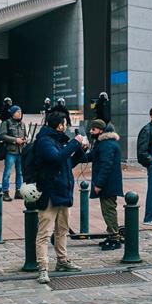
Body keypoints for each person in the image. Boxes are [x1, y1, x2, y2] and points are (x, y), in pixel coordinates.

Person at [32, 112, 89, 284]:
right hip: (49, 192)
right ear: (59, 125)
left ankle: (62, 261)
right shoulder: (44, 141)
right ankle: (43, 268)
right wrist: (74, 142)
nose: (66, 126)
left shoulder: (58, 140)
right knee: (44, 232)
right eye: (64, 123)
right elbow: (56, 158)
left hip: (62, 191)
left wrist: (80, 152)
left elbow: (67, 163)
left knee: (62, 230)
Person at [86, 120, 124, 250]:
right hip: (108, 184)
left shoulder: (107, 145)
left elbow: (106, 165)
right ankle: (111, 235)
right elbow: (91, 156)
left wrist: (99, 184)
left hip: (108, 184)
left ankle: (114, 238)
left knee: (109, 211)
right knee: (107, 210)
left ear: (101, 131)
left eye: (93, 130)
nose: (91, 132)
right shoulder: (103, 143)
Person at [0, 105, 27, 201]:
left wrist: (24, 139)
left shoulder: (23, 124)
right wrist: (15, 140)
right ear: (12, 113)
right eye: (17, 112)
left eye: (20, 112)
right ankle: (5, 192)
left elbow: (25, 135)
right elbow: (2, 135)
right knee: (7, 172)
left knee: (20, 172)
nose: (19, 113)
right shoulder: (6, 123)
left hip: (20, 151)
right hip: (10, 151)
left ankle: (18, 191)